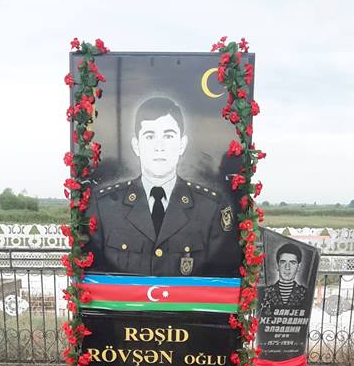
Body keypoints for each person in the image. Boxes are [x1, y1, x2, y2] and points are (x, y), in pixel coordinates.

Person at [87, 96, 240, 277]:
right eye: (149, 136)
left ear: (182, 144)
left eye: (168, 136)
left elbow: (218, 276)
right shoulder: (104, 206)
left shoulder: (210, 208)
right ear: (136, 145)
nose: (159, 147)